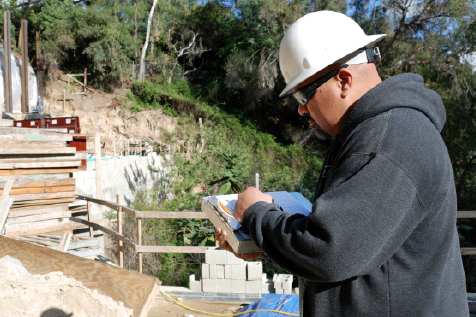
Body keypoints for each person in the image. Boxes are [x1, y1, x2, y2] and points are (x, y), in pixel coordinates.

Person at [215, 10, 469, 316]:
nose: (301, 110)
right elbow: (352, 246)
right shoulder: (369, 134)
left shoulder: (388, 142)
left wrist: (256, 214)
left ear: (344, 80)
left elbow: (328, 251)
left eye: (302, 95)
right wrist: (265, 241)